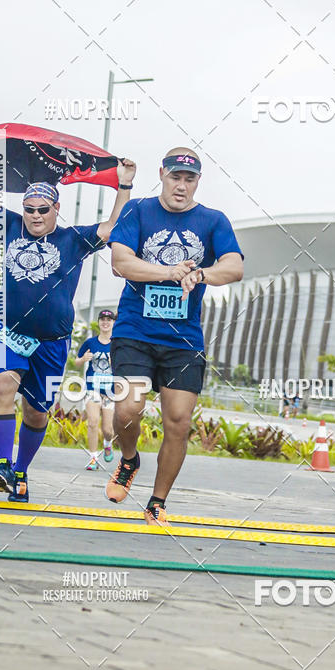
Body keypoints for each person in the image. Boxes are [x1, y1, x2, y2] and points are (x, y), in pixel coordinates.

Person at [0, 126, 136, 502]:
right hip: (7, 330)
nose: (34, 216)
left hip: (53, 341)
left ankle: (20, 473)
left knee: (36, 414)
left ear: (56, 209)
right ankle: (3, 464)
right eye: (30, 209)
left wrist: (124, 186)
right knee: (2, 385)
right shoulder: (9, 225)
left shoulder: (73, 238)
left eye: (42, 210)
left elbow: (115, 227)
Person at [105, 147, 244, 525]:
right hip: (135, 330)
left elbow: (234, 267)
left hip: (183, 339)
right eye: (175, 177)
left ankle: (157, 502)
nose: (181, 186)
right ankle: (130, 459)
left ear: (198, 181)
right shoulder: (140, 211)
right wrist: (168, 272)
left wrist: (200, 274)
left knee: (178, 421)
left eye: (189, 179)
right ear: (162, 174)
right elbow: (120, 262)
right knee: (128, 409)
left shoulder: (213, 220)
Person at [74, 309, 117, 469]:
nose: (105, 322)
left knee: (107, 430)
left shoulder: (117, 344)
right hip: (93, 389)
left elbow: (123, 368)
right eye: (102, 319)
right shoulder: (90, 343)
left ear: (113, 323)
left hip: (110, 392)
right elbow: (77, 361)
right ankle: (93, 458)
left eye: (109, 320)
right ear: (99, 322)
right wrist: (83, 359)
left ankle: (107, 443)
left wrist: (115, 364)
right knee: (92, 422)